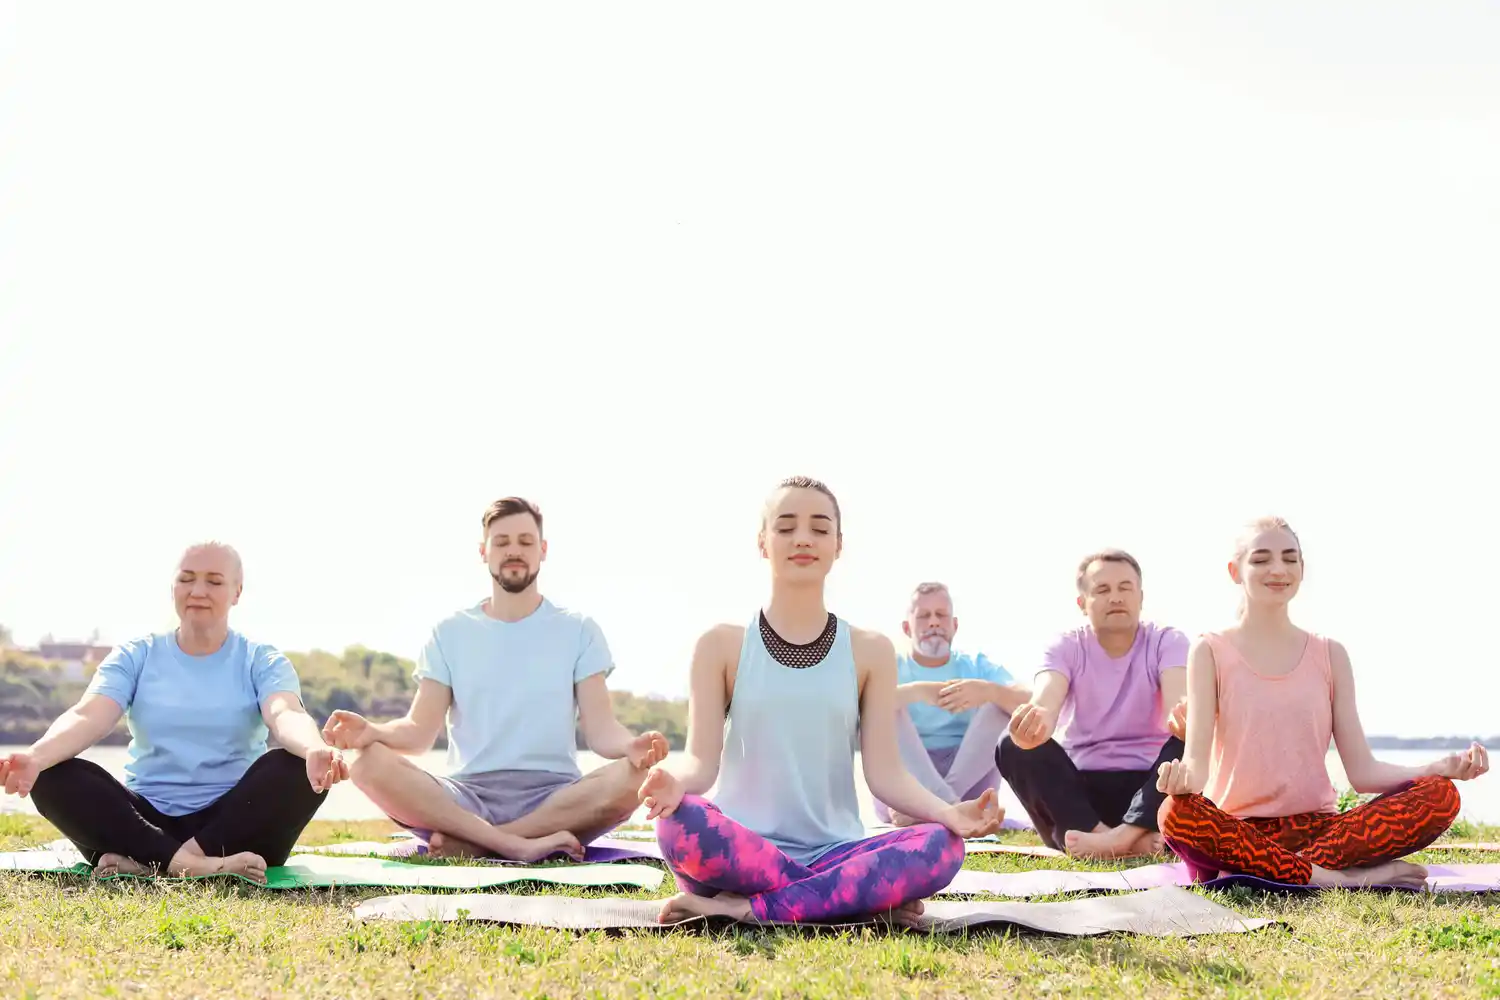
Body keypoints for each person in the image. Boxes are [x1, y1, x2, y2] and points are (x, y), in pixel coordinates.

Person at [636, 476, 1003, 927]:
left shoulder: (870, 650)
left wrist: (949, 814)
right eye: (786, 527)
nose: (803, 539)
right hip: (741, 849)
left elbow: (885, 773)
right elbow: (699, 763)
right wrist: (673, 783)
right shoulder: (721, 645)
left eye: (819, 528)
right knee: (679, 822)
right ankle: (843, 896)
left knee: (942, 846)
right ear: (762, 543)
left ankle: (746, 907)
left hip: (834, 848)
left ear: (838, 545)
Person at [324, 496, 669, 862]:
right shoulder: (450, 632)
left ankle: (481, 843)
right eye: (502, 542)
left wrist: (632, 747)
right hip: (466, 798)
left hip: (555, 799)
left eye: (525, 541)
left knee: (634, 777)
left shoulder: (579, 630)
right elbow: (418, 731)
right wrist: (373, 732)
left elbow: (601, 730)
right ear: (483, 552)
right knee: (366, 763)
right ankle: (514, 844)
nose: (513, 551)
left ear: (543, 550)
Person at [1155, 516, 1488, 888]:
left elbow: (1363, 772)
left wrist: (1440, 766)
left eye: (1289, 558)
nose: (1278, 569)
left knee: (1440, 794)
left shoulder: (1330, 654)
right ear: (1236, 571)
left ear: (1302, 568)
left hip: (1319, 832)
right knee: (1175, 813)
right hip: (1238, 832)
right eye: (1261, 559)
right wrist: (1181, 779)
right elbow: (1197, 768)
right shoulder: (1209, 649)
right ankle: (1342, 880)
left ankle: (1284, 873)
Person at [0, 542, 344, 883]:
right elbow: (88, 715)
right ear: (173, 587)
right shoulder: (136, 655)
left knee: (298, 766)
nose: (198, 591)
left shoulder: (261, 659)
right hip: (143, 823)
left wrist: (313, 748)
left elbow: (285, 712)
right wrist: (35, 756)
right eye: (187, 579)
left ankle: (155, 863)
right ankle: (192, 866)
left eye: (214, 581)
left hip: (233, 825)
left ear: (236, 592)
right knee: (51, 773)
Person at [1000, 549, 1187, 859]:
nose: (1115, 598)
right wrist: (1034, 724)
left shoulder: (1167, 641)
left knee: (1192, 735)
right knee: (1012, 744)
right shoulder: (1065, 646)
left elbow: (1178, 702)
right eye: (1102, 589)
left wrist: (1185, 718)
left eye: (1125, 588)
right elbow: (1046, 699)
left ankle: (1122, 837)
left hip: (1149, 784)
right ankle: (1106, 838)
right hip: (1081, 794)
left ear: (1140, 597)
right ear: (1082, 603)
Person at [873, 581, 1030, 826]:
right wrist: (916, 692)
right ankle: (947, 806)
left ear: (954, 625)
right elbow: (854, 709)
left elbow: (1032, 702)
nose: (933, 622)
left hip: (967, 786)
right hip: (905, 787)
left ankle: (941, 804)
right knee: (882, 704)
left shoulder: (975, 665)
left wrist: (988, 690)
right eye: (923, 616)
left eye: (941, 615)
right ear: (907, 627)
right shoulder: (889, 667)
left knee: (1002, 705)